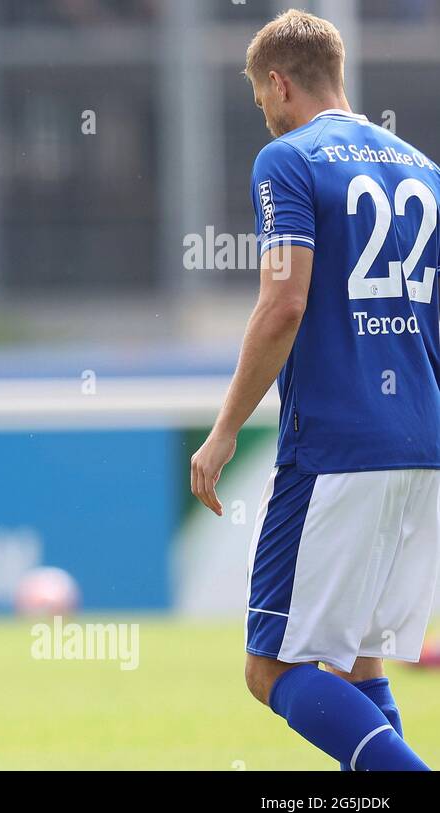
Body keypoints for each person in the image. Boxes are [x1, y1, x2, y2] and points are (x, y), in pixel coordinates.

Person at [191, 10, 437, 770]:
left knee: (270, 668)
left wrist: (225, 427)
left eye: (258, 96)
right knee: (360, 659)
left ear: (277, 82)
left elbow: (284, 302)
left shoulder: (288, 160)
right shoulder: (423, 169)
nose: (261, 112)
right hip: (421, 441)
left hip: (336, 444)